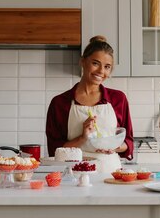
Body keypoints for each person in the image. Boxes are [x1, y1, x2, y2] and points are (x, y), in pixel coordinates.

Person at [46, 35, 134, 173]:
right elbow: (54, 149)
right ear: (83, 61)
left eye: (107, 67)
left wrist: (113, 146)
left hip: (110, 174)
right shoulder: (60, 103)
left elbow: (128, 142)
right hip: (73, 173)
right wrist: (82, 138)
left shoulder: (118, 99)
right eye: (95, 63)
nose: (101, 71)